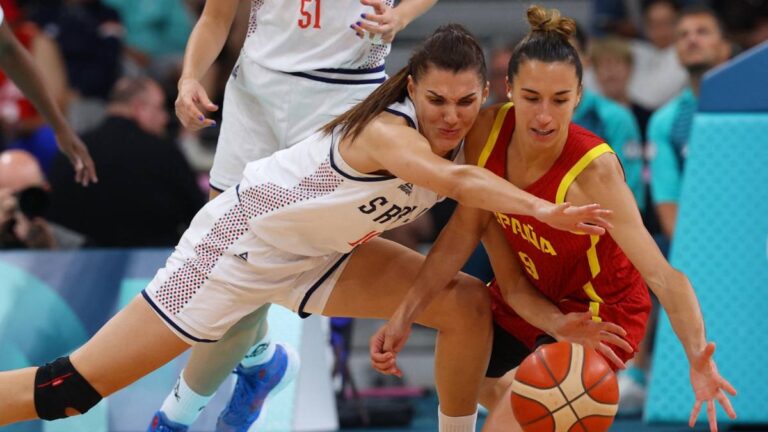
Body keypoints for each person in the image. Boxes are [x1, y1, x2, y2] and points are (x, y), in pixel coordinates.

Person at [0, 25, 614, 432]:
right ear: (410, 89)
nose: (449, 117)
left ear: (484, 93)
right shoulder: (386, 131)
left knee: (467, 306)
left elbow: (484, 241)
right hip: (236, 247)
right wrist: (543, 210)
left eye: (462, 102)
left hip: (320, 255)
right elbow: (454, 186)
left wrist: (552, 320)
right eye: (435, 101)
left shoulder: (476, 135)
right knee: (70, 390)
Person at [371, 7, 737, 432]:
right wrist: (404, 315)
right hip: (530, 293)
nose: (544, 116)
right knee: (477, 378)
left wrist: (696, 357)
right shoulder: (485, 133)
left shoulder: (594, 174)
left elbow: (665, 278)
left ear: (579, 95)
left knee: (531, 411)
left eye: (560, 100)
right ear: (508, 89)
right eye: (531, 98)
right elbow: (464, 236)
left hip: (599, 313)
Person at [155, 0, 441, 430]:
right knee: (223, 264)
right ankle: (260, 360)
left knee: (257, 263)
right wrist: (190, 77)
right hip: (255, 91)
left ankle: (174, 418)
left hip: (342, 99)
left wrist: (401, 17)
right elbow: (215, 18)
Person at [46, 77, 206, 248]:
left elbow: (53, 221)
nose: (165, 118)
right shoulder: (164, 153)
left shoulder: (72, 153)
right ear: (139, 108)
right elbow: (198, 216)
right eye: (159, 108)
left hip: (79, 265)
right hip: (153, 265)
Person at [0, 3, 97, 186]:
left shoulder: (36, 41)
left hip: (19, 133)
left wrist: (60, 127)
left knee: (47, 141)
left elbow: (9, 52)